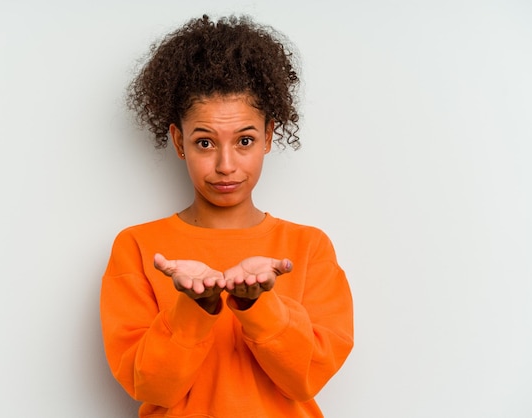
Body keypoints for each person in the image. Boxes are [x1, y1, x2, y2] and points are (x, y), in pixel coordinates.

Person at [100, 14, 353, 418]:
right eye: (204, 142)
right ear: (178, 141)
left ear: (269, 137)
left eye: (245, 140)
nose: (225, 164)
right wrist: (195, 309)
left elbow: (305, 378)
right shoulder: (137, 248)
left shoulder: (308, 248)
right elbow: (149, 385)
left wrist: (257, 306)